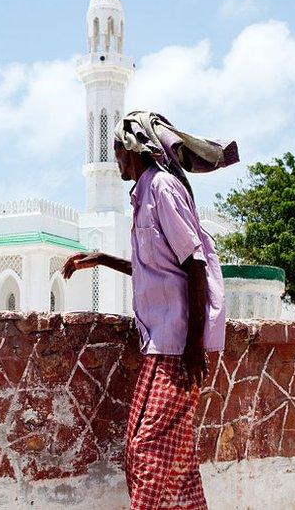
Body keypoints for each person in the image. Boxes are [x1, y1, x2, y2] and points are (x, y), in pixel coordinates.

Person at [62, 111, 237, 510]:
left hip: (176, 345)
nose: (116, 159)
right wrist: (102, 258)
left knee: (145, 449)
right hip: (164, 341)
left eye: (118, 150)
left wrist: (193, 344)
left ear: (133, 148)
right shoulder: (145, 192)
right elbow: (157, 266)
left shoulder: (161, 187)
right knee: (176, 456)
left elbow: (193, 262)